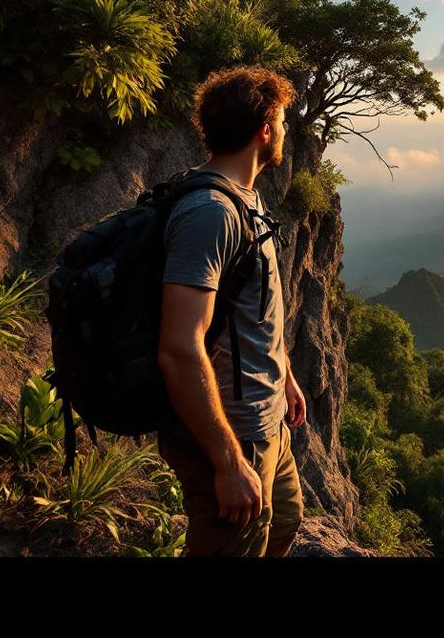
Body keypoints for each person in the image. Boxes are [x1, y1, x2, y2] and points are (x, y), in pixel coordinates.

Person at [156, 65, 307, 557]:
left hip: (267, 421)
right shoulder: (211, 213)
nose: (285, 130)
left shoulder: (245, 198)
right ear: (265, 129)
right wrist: (226, 460)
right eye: (282, 120)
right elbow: (180, 347)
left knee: (285, 521)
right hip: (232, 431)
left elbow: (250, 310)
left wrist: (283, 374)